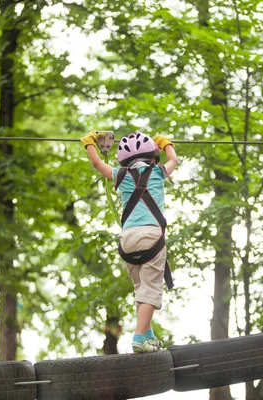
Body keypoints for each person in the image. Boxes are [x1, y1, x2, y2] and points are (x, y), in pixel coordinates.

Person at [81, 130, 178, 353]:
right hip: (151, 236)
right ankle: (138, 338)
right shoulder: (158, 171)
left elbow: (97, 164)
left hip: (128, 239)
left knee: (141, 288)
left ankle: (148, 335)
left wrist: (89, 143)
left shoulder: (120, 174)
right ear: (153, 157)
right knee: (151, 290)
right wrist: (166, 143)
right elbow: (174, 159)